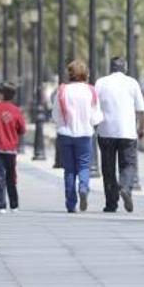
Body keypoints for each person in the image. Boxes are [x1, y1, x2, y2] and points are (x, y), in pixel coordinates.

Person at [94, 57, 144, 213]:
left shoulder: (100, 82)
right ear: (125, 68)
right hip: (127, 132)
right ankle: (125, 188)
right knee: (128, 165)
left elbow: (94, 107)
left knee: (108, 168)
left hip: (106, 131)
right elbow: (141, 110)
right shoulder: (132, 83)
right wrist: (141, 128)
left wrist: (96, 126)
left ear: (111, 67)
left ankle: (111, 204)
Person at [53, 60, 103, 213]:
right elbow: (96, 117)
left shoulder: (62, 90)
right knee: (83, 166)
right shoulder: (90, 91)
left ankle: (71, 203)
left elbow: (55, 114)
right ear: (85, 74)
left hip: (65, 133)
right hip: (84, 134)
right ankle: (83, 187)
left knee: (69, 170)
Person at [0, 81, 26, 214]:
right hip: (11, 149)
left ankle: (1, 205)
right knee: (11, 177)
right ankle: (14, 205)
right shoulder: (17, 110)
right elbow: (22, 129)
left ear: (1, 93)